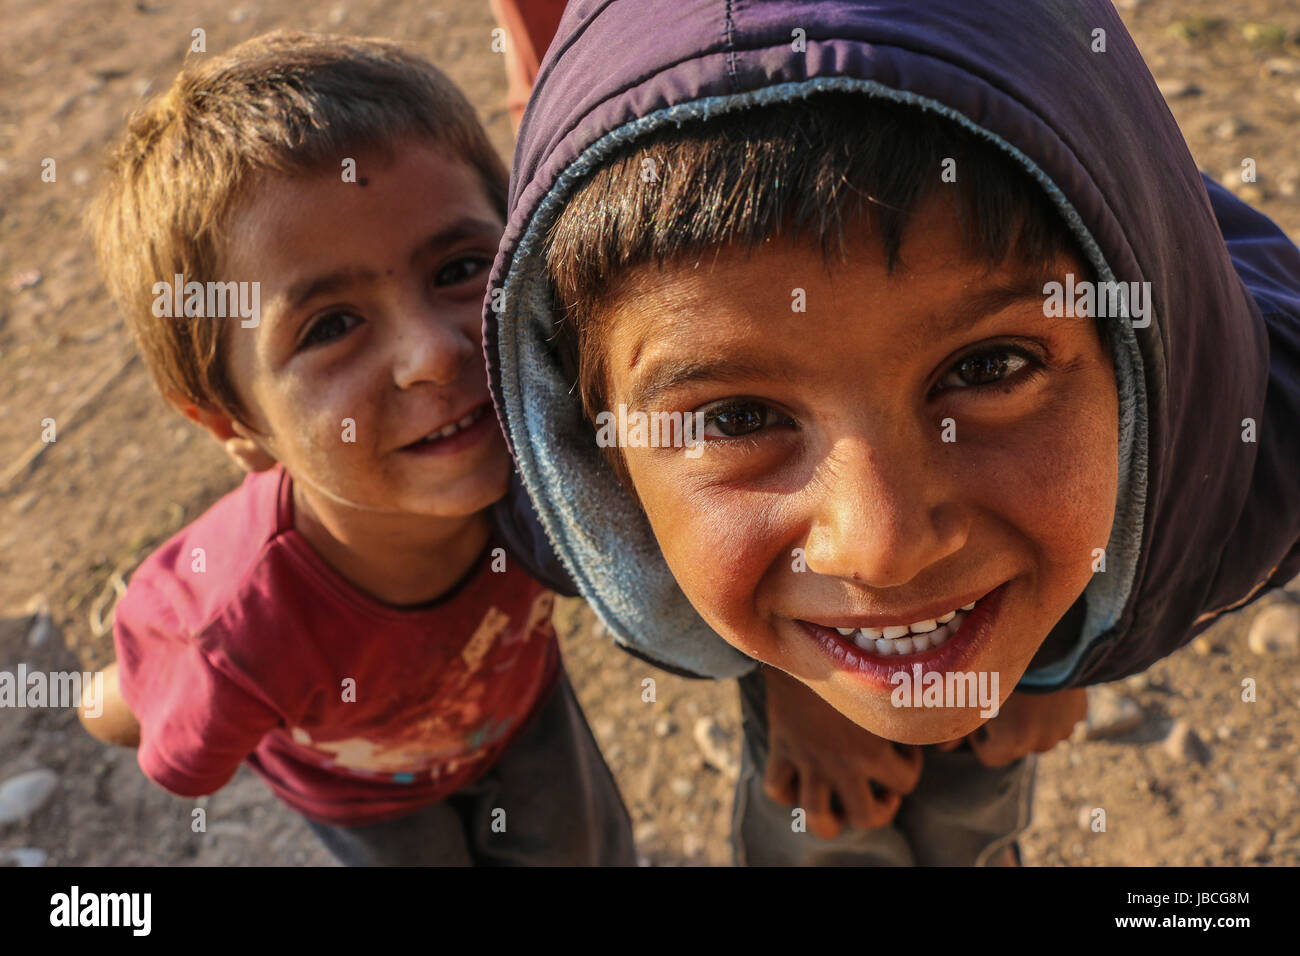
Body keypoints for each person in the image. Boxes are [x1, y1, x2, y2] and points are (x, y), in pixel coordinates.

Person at [483, 0, 1300, 865]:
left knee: (973, 830)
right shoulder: (540, 503)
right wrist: (791, 689)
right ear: (598, 456)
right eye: (739, 418)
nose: (884, 549)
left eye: (987, 369)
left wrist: (1070, 651)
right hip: (803, 680)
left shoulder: (1252, 462)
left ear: (1140, 364)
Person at [78, 31, 635, 866]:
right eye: (330, 327)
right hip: (367, 803)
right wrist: (114, 693)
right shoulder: (239, 627)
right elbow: (143, 723)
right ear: (234, 424)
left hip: (523, 717)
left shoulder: (555, 461)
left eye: (458, 268)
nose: (435, 354)